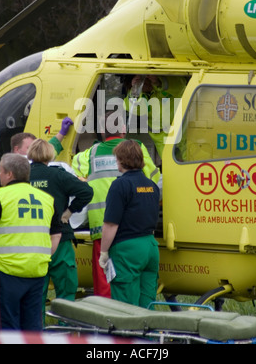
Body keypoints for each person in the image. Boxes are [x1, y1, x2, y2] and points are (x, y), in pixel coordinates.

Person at [72, 111, 160, 298]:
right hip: (138, 230)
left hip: (102, 228)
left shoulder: (89, 154)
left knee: (106, 284)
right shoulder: (138, 148)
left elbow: (75, 179)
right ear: (123, 129)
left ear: (102, 130)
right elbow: (155, 177)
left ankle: (108, 324)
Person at [0, 153, 62, 331]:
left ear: (9, 174)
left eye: (0, 171)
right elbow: (56, 235)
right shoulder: (46, 199)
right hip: (36, 270)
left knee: (6, 326)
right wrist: (44, 256)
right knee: (32, 325)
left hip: (5, 270)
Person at [27, 139, 93, 323]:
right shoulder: (59, 175)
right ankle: (64, 329)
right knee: (66, 290)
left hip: (31, 241)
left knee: (35, 292)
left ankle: (34, 332)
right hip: (61, 240)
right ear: (50, 154)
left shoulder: (23, 175)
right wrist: (69, 211)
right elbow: (86, 191)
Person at [99, 140, 160, 308]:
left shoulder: (120, 185)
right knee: (147, 303)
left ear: (122, 160)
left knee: (125, 306)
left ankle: (128, 335)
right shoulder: (152, 186)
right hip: (150, 247)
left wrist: (103, 252)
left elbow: (111, 224)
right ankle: (148, 335)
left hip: (128, 250)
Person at [124, 75, 186, 157]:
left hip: (184, 135)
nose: (143, 83)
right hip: (162, 141)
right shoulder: (141, 97)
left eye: (144, 79)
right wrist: (134, 90)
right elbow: (133, 109)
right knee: (171, 166)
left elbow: (181, 87)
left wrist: (159, 82)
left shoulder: (167, 86)